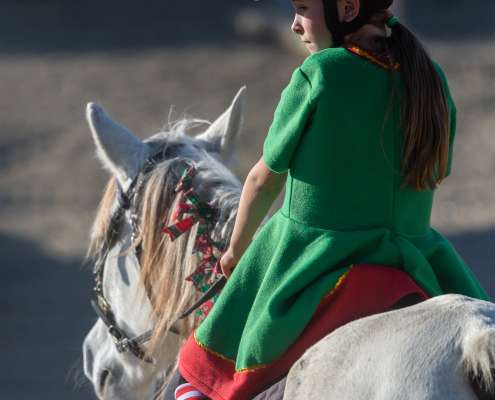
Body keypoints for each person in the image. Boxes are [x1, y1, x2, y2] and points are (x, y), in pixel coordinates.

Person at [172, 0, 490, 399]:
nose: (293, 25)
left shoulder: (320, 73)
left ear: (347, 8)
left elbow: (260, 181)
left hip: (318, 262)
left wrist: (235, 252)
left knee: (201, 380)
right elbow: (438, 173)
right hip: (418, 260)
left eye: (303, 8)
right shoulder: (432, 78)